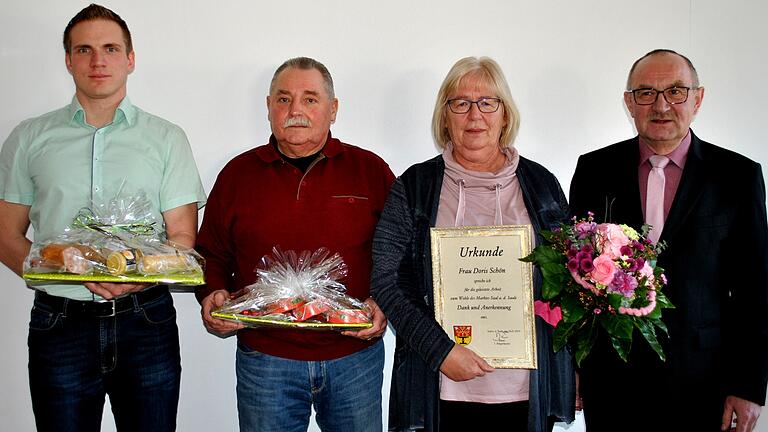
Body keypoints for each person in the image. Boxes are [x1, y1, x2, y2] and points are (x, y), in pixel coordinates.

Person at [0, 4, 206, 432]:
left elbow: (183, 237)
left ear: (130, 59)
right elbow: (5, 233)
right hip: (59, 325)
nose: (98, 61)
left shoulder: (167, 139)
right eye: (84, 49)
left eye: (111, 48)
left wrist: (139, 276)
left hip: (146, 321)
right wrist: (58, 268)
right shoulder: (29, 138)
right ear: (68, 60)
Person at [370, 56, 576, 432]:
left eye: (487, 103)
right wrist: (440, 351)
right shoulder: (414, 187)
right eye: (460, 103)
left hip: (526, 390)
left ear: (505, 115)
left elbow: (569, 281)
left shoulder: (542, 184)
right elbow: (386, 279)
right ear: (445, 116)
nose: (474, 115)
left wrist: (574, 366)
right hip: (440, 387)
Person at [569, 49, 768, 432]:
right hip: (612, 382)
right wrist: (572, 369)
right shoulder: (594, 170)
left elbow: (756, 290)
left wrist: (748, 386)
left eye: (676, 91)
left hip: (704, 383)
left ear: (698, 98)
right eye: (645, 93)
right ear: (629, 102)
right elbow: (575, 282)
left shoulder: (737, 177)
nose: (661, 105)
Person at [195, 56, 395, 432]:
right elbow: (212, 252)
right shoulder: (238, 174)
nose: (296, 111)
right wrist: (213, 293)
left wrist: (384, 304)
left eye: (310, 99)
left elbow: (399, 254)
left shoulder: (370, 170)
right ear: (269, 107)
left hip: (353, 356)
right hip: (266, 358)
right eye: (284, 100)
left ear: (333, 109)